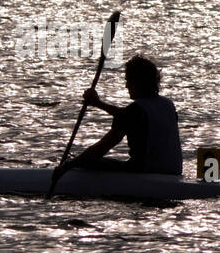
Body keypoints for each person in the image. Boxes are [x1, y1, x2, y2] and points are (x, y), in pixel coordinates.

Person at [52, 55, 183, 180]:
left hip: (144, 171)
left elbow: (102, 148)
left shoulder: (136, 110)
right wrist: (98, 103)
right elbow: (130, 118)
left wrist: (68, 166)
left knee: (87, 161)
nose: (126, 86)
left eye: (128, 81)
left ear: (138, 82)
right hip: (174, 171)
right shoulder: (167, 104)